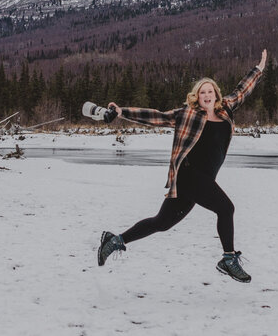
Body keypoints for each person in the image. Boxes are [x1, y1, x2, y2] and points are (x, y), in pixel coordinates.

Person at [97, 49, 268, 283]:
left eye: (210, 91)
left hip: (200, 181)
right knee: (226, 209)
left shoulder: (225, 108)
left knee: (161, 223)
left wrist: (258, 69)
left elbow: (242, 90)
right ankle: (228, 259)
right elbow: (156, 116)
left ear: (216, 94)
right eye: (202, 92)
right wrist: (121, 111)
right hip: (189, 175)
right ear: (196, 96)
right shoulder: (188, 114)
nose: (206, 95)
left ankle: (115, 240)